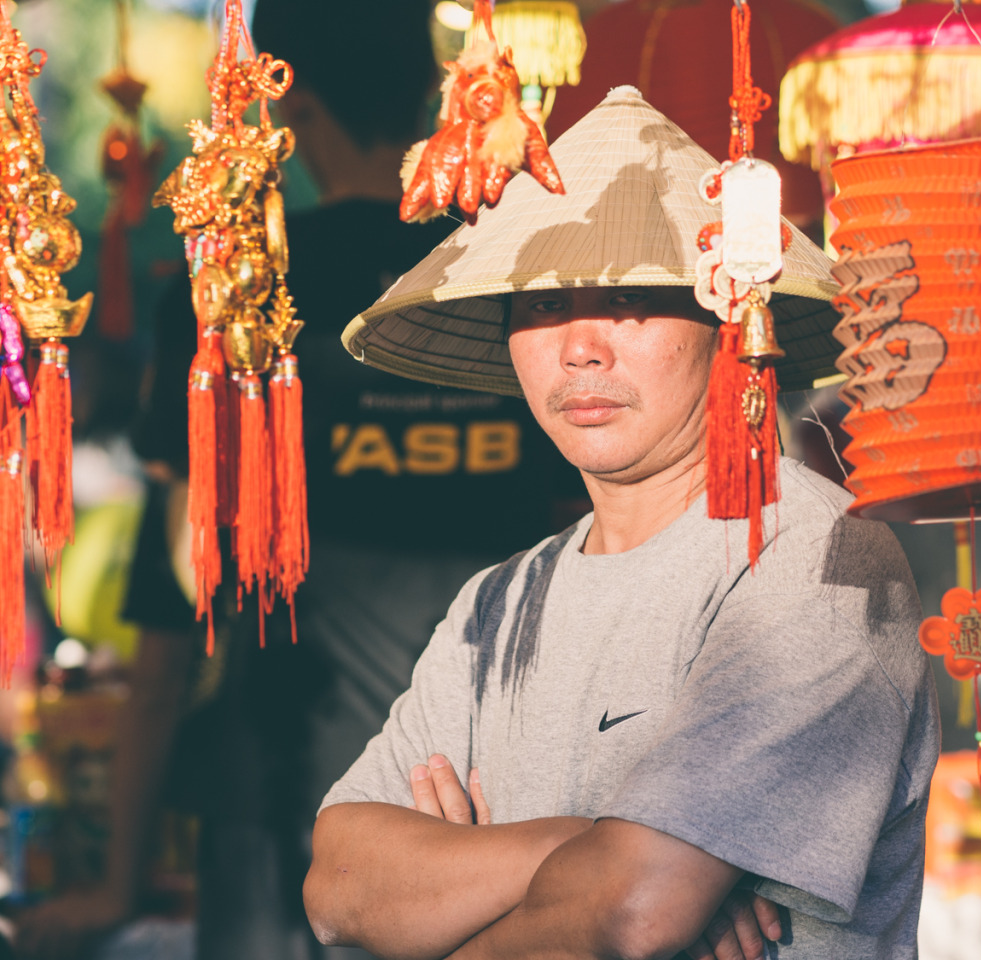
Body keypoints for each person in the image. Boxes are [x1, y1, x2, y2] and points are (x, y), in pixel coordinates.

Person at [307, 86, 939, 960]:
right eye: (540, 305)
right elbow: (339, 883)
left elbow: (631, 913)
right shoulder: (498, 601)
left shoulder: (820, 558)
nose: (580, 348)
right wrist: (583, 844)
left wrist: (476, 883)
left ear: (728, 315)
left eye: (632, 299)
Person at [15, 2, 584, 959]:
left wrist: (116, 884)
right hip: (509, 795)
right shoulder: (516, 274)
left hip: (286, 803)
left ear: (295, 107)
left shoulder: (227, 291)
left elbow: (174, 617)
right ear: (427, 92)